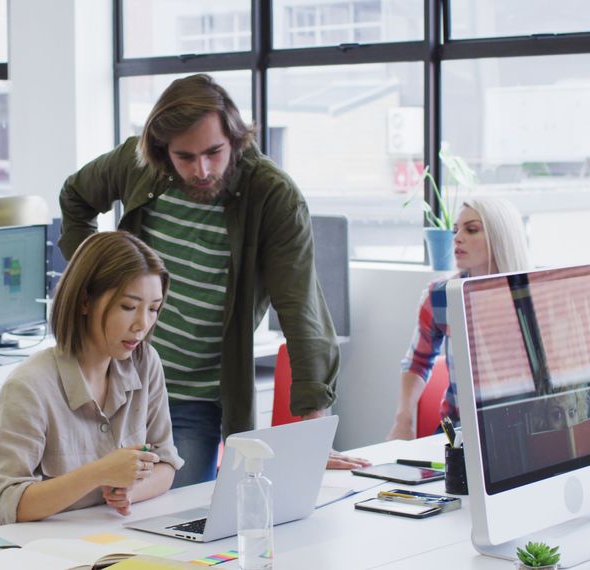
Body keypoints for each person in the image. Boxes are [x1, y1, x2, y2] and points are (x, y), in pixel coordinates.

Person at [59, 74, 365, 486]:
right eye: (185, 157)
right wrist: (96, 282)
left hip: (193, 398)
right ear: (162, 150)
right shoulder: (138, 164)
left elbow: (300, 305)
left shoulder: (271, 195)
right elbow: (75, 198)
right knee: (91, 513)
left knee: (176, 518)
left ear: (235, 138)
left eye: (214, 152)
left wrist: (314, 427)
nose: (201, 170)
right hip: (113, 382)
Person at [0, 231, 183, 524]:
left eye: (153, 309)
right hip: (40, 552)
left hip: (112, 540)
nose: (142, 324)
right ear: (84, 302)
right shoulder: (28, 386)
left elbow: (165, 464)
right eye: (128, 307)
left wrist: (132, 490)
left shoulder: (145, 363)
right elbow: (10, 504)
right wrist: (100, 472)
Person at [387, 197, 532, 440]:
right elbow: (417, 362)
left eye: (471, 229)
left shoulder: (532, 295)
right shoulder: (441, 296)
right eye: (456, 230)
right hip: (459, 436)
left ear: (501, 236)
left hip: (525, 432)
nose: (457, 237)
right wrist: (404, 420)